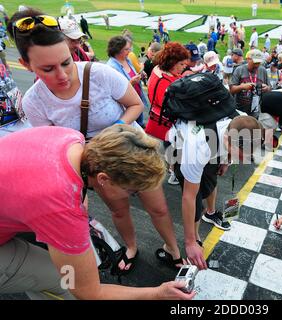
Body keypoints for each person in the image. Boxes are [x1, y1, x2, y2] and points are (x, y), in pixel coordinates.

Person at [8, 9, 183, 273]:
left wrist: (114, 131)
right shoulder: (34, 101)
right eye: (47, 69)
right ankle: (132, 247)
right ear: (25, 64)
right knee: (119, 211)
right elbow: (53, 148)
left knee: (158, 208)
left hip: (133, 151)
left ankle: (174, 249)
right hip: (97, 164)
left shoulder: (98, 73)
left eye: (66, 62)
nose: (63, 75)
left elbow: (135, 105)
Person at [0, 125, 194, 300]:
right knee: (64, 278)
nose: (132, 196)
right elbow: (89, 292)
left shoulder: (71, 138)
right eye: (132, 191)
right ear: (103, 178)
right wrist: (157, 293)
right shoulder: (62, 205)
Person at [167, 114, 266, 270]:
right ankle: (189, 240)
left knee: (210, 183)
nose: (243, 159)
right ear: (227, 139)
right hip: (181, 145)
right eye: (239, 155)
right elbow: (189, 198)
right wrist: (190, 242)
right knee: (197, 198)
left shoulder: (244, 121)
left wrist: (226, 161)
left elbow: (234, 145)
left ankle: (210, 214)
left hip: (214, 146)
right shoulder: (199, 147)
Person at [107, 36, 147, 127]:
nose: (129, 52)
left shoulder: (127, 60)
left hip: (136, 100)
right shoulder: (112, 67)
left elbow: (131, 74)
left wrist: (139, 74)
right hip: (127, 107)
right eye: (126, 49)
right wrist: (131, 83)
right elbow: (113, 92)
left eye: (129, 49)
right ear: (117, 50)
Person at [229, 49, 270, 118]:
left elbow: (269, 88)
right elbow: (231, 90)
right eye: (255, 63)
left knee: (254, 128)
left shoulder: (263, 70)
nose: (257, 65)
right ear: (248, 59)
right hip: (239, 111)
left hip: (256, 111)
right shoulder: (239, 70)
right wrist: (242, 87)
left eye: (259, 63)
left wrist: (267, 88)